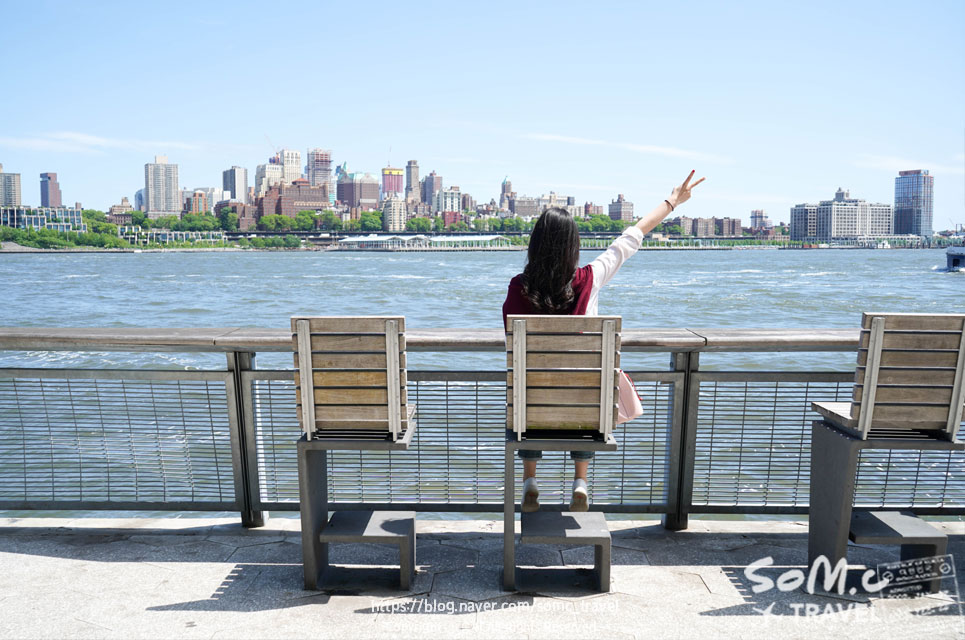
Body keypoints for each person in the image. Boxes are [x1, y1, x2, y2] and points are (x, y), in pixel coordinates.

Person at [502, 170, 705, 512]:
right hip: (583, 403)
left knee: (527, 389)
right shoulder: (590, 278)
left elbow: (509, 336)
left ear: (535, 244)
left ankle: (530, 481)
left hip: (532, 404)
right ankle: (580, 482)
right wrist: (673, 201)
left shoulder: (517, 287)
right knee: (588, 396)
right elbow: (633, 235)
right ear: (574, 246)